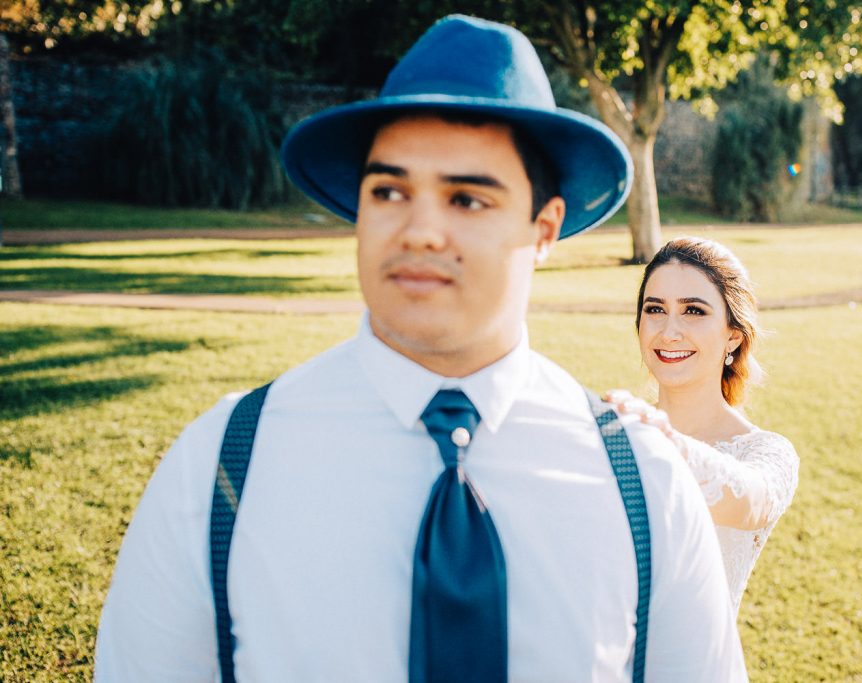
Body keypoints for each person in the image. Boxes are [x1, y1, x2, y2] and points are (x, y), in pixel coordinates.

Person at [94, 15, 747, 682]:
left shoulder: (644, 484)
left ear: (544, 228)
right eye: (390, 191)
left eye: (467, 198)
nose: (421, 229)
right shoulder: (220, 466)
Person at [609, 237, 799, 616]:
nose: (669, 331)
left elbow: (751, 502)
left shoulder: (766, 452)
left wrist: (660, 443)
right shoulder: (618, 433)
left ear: (733, 335)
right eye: (655, 309)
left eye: (693, 311)